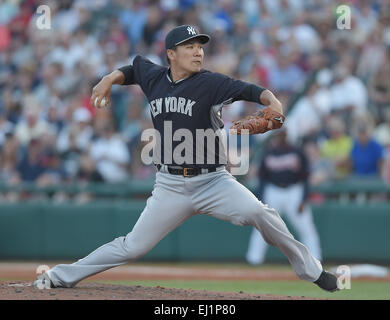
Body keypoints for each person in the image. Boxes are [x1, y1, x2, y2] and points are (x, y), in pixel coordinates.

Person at [33, 25, 338, 292]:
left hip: (214, 181)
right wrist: (109, 78)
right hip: (170, 186)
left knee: (262, 213)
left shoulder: (210, 82)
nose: (197, 53)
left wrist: (276, 105)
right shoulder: (154, 77)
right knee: (132, 247)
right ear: (170, 54)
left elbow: (254, 91)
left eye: (199, 47)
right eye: (189, 47)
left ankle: (313, 272)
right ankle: (60, 276)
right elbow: (133, 70)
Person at [246, 129, 322, 266]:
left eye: (283, 135)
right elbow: (262, 178)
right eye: (278, 135)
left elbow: (305, 177)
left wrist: (304, 198)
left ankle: (316, 259)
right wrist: (260, 198)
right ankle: (254, 259)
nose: (280, 138)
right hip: (273, 191)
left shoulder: (297, 152)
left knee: (306, 227)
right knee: (264, 226)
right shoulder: (268, 153)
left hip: (294, 191)